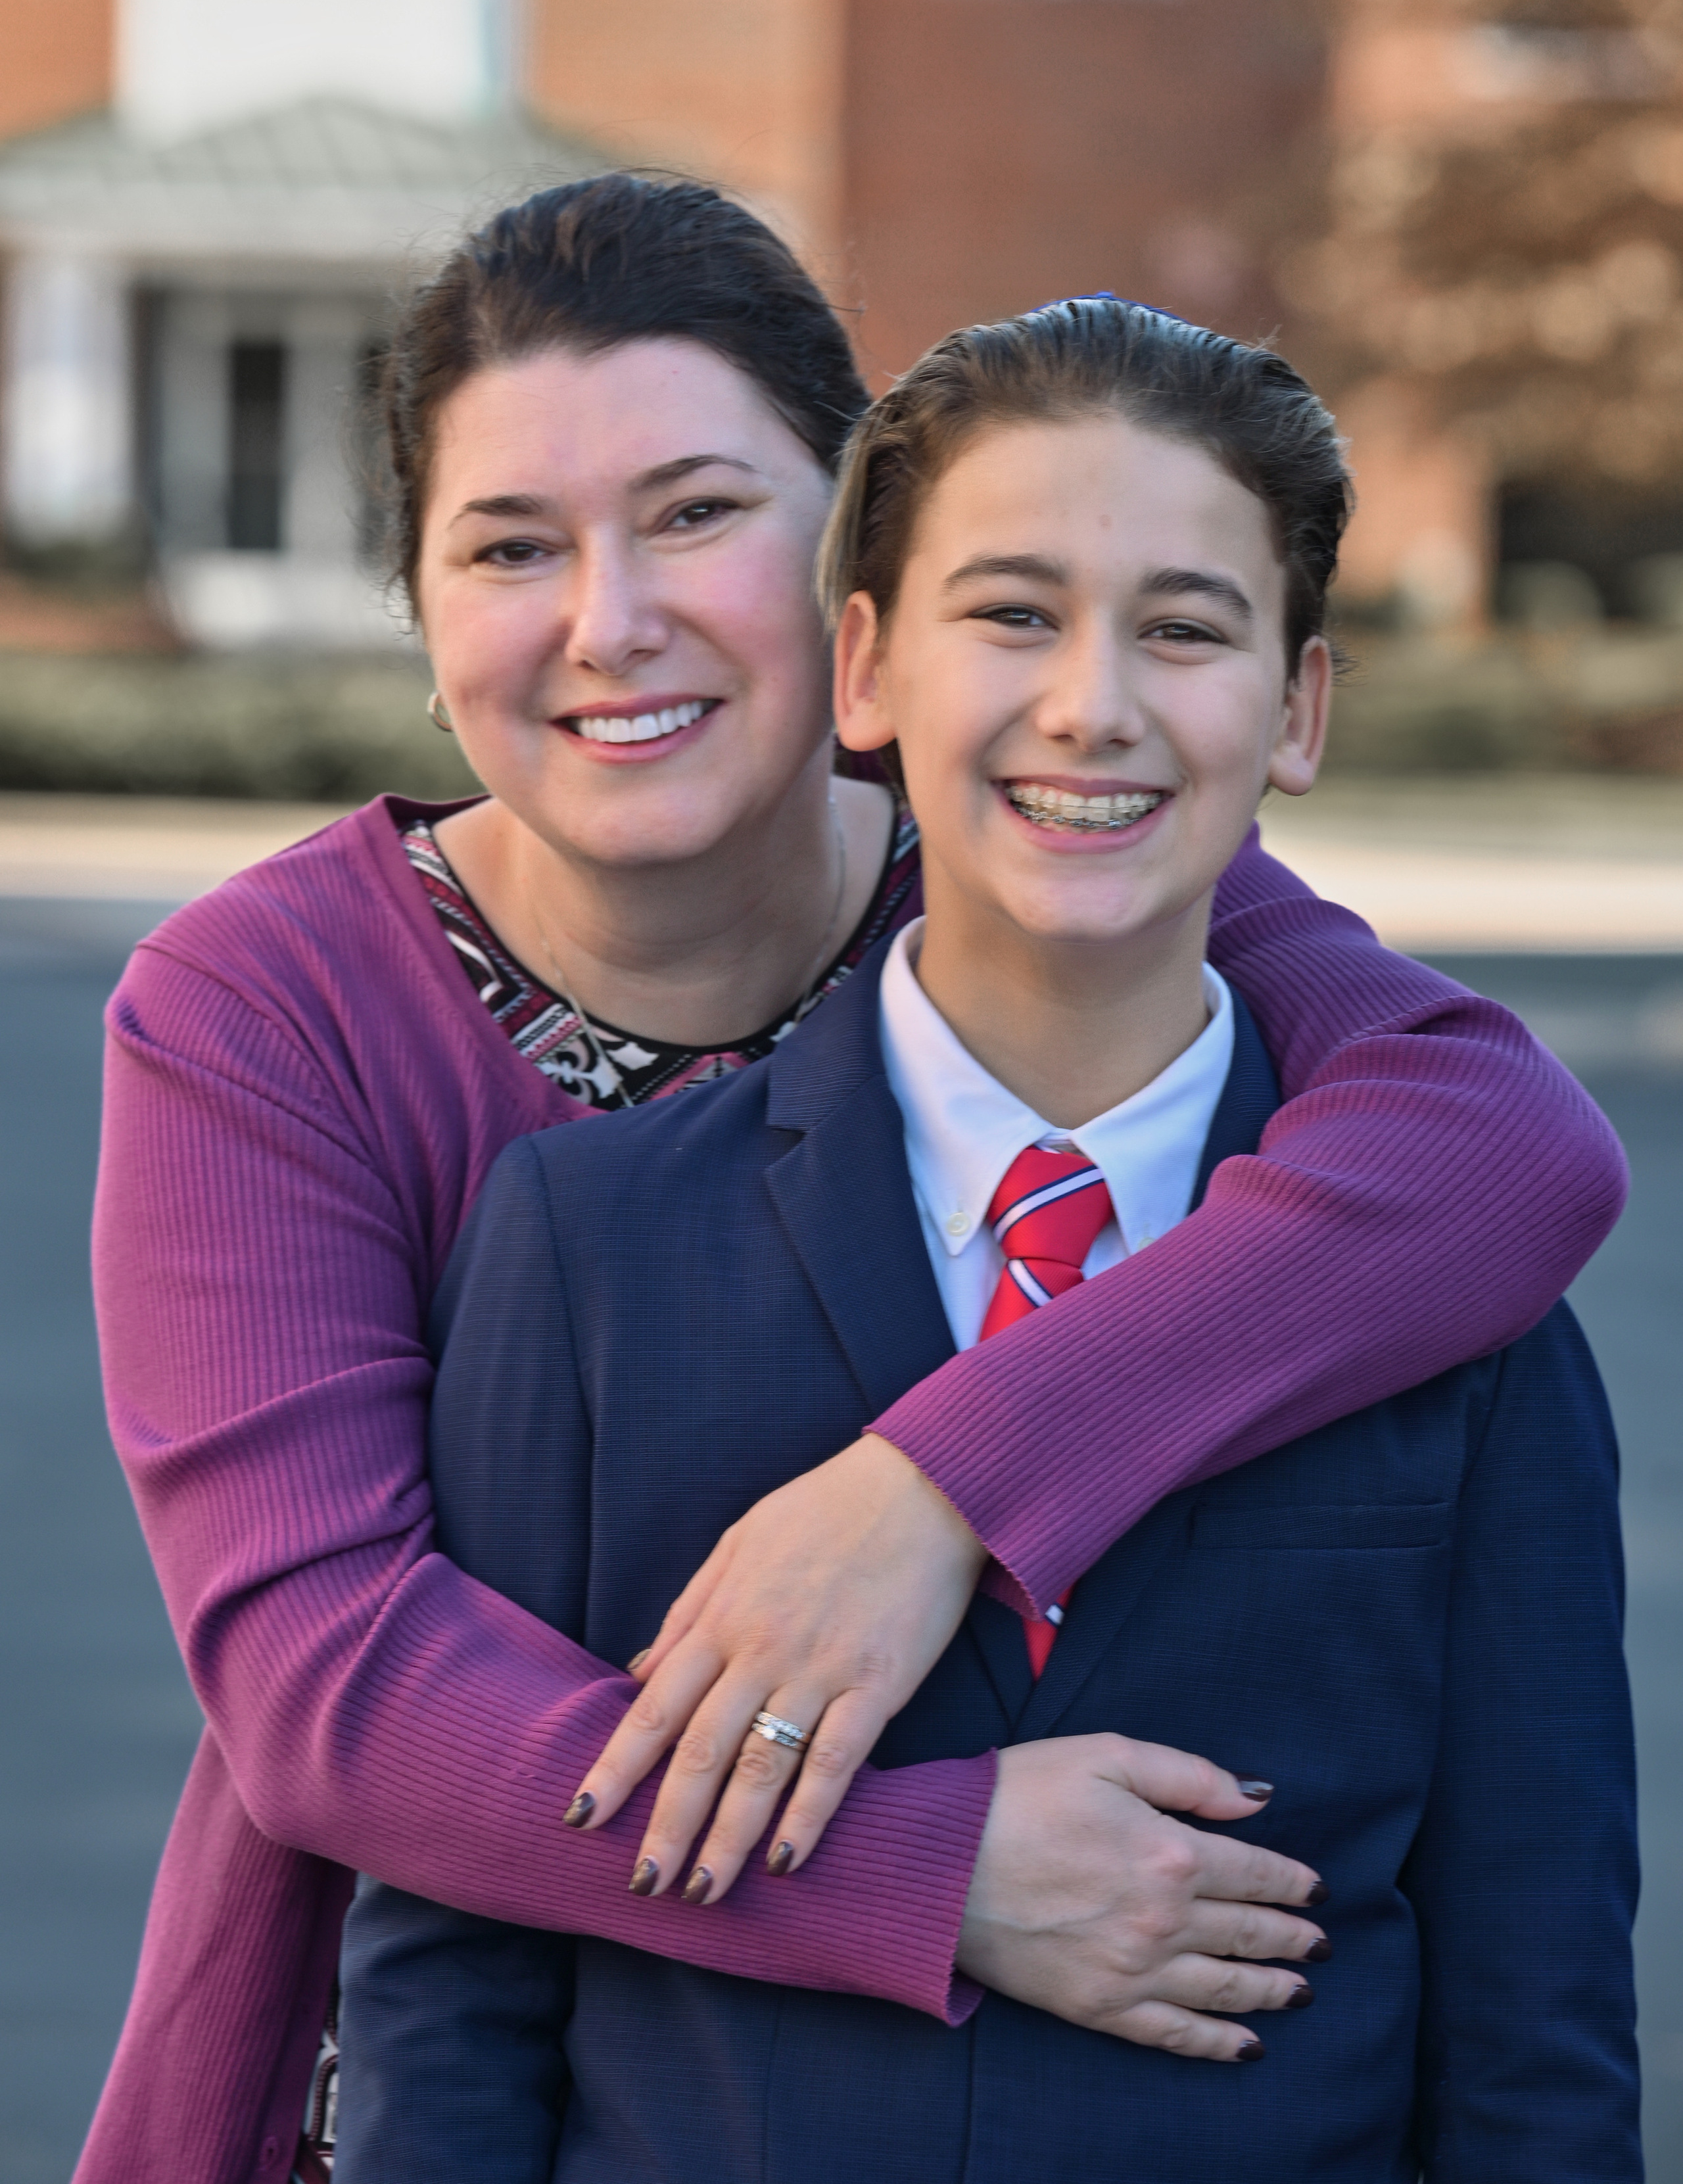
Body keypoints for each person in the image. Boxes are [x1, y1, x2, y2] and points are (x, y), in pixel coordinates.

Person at [80, 181, 1625, 2184]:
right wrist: (928, 1866)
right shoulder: (266, 1008)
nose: (607, 616)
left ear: (849, 576)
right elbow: (335, 1690)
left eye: (700, 513)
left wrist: (939, 1488)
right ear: (424, 599)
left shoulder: (1034, 848)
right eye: (510, 547)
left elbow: (1498, 1143)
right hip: (394, 2063)